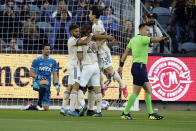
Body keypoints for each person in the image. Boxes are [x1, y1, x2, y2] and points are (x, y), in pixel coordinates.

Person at [118, 23, 168, 120]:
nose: (149, 32)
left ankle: (151, 114)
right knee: (136, 92)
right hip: (140, 68)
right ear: (140, 30)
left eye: (149, 30)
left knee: (148, 89)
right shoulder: (143, 38)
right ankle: (125, 113)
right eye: (147, 30)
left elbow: (125, 53)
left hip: (137, 67)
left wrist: (121, 65)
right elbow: (153, 39)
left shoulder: (132, 40)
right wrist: (162, 38)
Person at [89, 6, 128, 98]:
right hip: (98, 52)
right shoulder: (95, 23)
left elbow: (105, 37)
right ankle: (103, 87)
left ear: (94, 15)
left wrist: (97, 45)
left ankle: (123, 85)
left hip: (103, 51)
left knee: (110, 71)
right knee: (97, 71)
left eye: (90, 13)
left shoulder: (97, 24)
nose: (89, 15)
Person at [60, 24, 93, 116]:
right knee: (76, 85)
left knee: (70, 86)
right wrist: (91, 35)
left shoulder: (74, 40)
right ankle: (71, 109)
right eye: (76, 31)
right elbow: (86, 42)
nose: (78, 33)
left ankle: (63, 107)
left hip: (72, 65)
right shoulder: (72, 40)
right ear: (71, 32)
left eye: (78, 31)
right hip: (74, 66)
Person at [77, 23, 105, 117]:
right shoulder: (93, 41)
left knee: (80, 88)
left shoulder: (81, 41)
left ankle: (82, 105)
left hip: (87, 66)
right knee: (96, 89)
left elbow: (80, 57)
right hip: (95, 66)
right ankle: (98, 111)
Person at [21, 43, 60, 111]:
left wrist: (56, 85)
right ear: (42, 50)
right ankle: (39, 104)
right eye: (46, 49)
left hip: (47, 85)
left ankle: (30, 106)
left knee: (45, 108)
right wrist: (38, 77)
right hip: (37, 81)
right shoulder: (37, 60)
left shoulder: (53, 61)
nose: (48, 50)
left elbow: (55, 74)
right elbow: (31, 73)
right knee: (44, 82)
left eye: (49, 49)